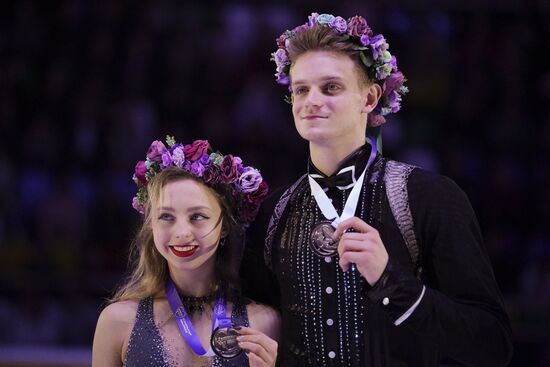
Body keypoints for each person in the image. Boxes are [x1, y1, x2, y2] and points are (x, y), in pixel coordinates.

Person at [240, 12, 513, 367]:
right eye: (301, 89)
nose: (312, 100)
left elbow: (493, 346)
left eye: (331, 87)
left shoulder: (426, 197)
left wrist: (389, 280)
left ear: (369, 98)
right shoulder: (274, 212)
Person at [92, 136, 280, 367]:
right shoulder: (117, 322)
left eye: (197, 217)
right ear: (151, 225)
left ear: (225, 227)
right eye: (166, 217)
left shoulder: (263, 322)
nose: (182, 232)